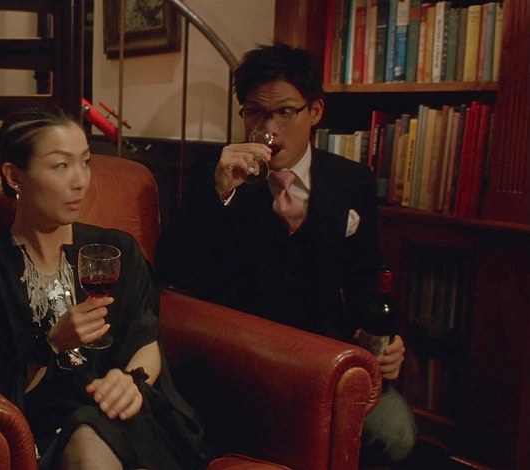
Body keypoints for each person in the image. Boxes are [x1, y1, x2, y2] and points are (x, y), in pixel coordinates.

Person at [155, 42, 417, 467]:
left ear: (315, 111)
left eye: (285, 112)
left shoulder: (350, 180)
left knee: (395, 432)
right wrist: (219, 193)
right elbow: (171, 267)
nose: (269, 128)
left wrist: (386, 340)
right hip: (242, 360)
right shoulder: (217, 172)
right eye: (255, 112)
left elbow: (367, 276)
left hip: (323, 357)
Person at [0, 106, 210, 469]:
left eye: (85, 162)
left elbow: (145, 337)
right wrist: (51, 344)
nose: (80, 181)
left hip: (128, 412)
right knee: (85, 437)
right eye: (60, 165)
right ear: (14, 176)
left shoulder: (115, 251)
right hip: (47, 429)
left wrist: (130, 381)